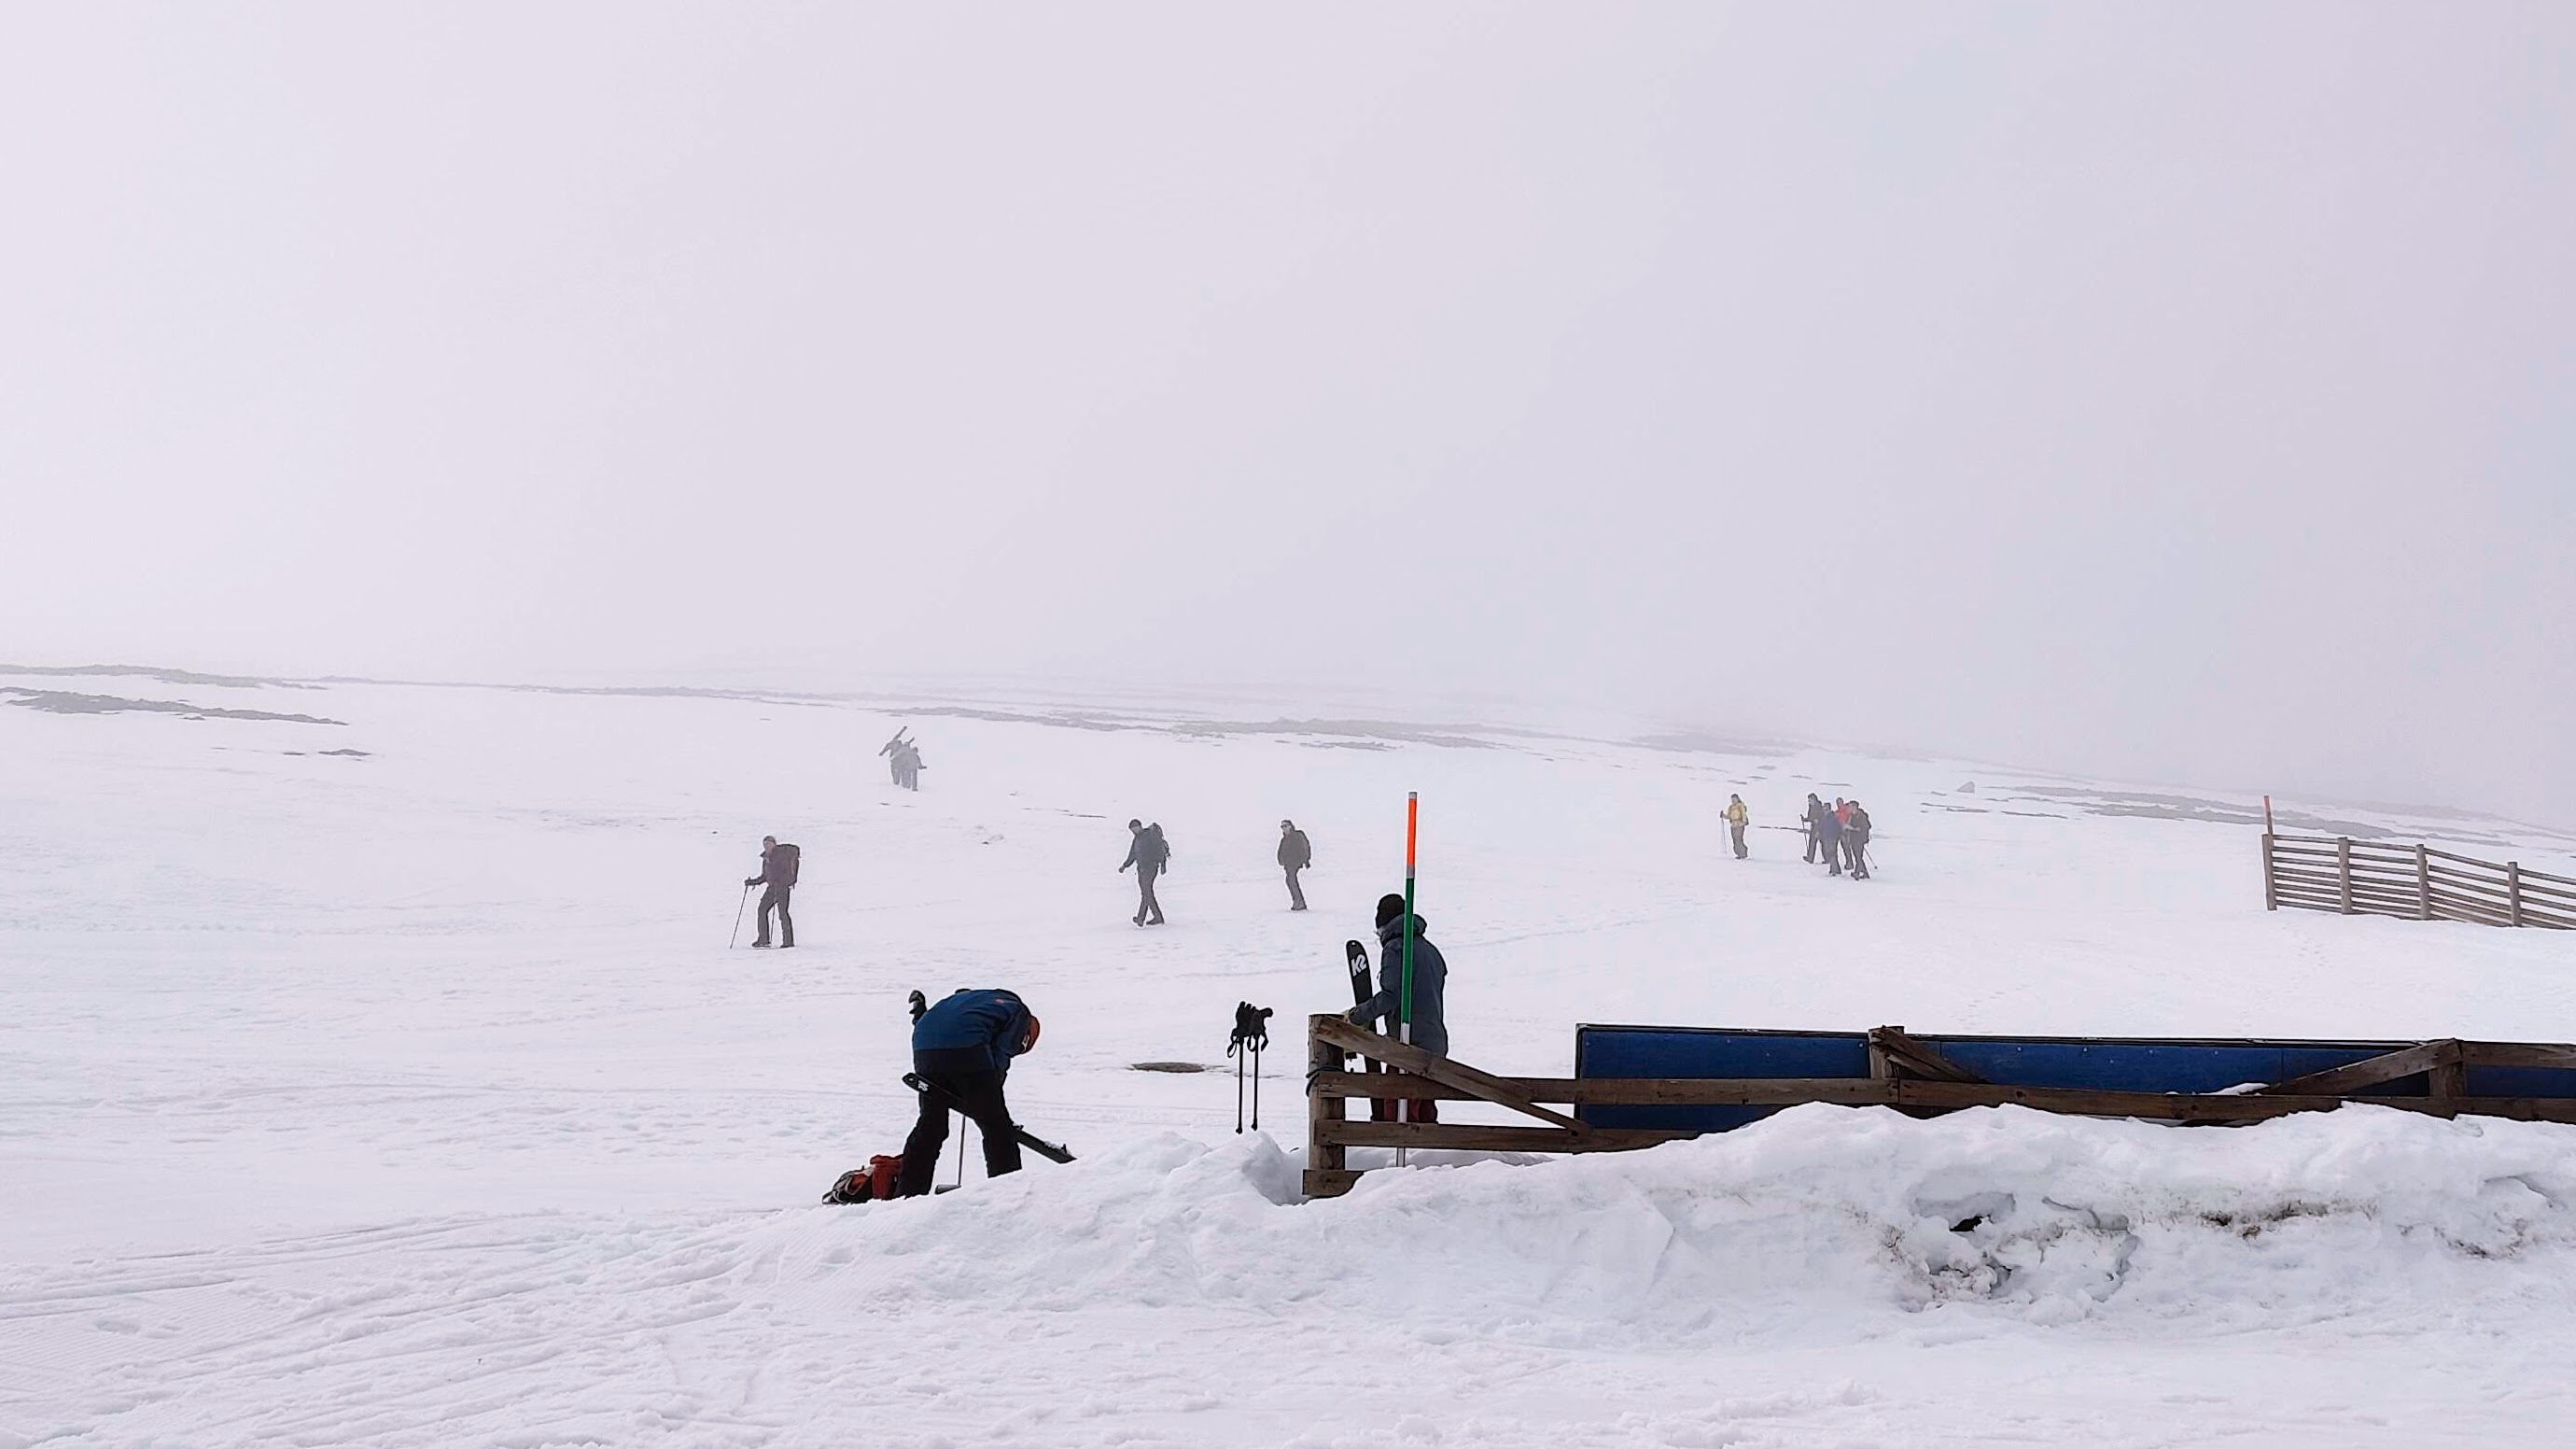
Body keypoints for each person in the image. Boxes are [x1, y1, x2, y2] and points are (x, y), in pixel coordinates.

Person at [897, 988, 1041, 1197]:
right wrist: (992, 1091)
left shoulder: (967, 1002)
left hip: (924, 1048)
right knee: (995, 1126)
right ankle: (1007, 1193)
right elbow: (1002, 1049)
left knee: (931, 1125)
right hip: (966, 1045)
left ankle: (908, 1193)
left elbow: (930, 1023)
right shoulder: (1019, 1012)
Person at [1348, 893, 1448, 1123]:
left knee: (1398, 1114)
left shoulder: (1396, 949)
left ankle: (1406, 1156)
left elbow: (1391, 995)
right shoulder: (1431, 950)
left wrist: (1357, 1015)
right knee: (1424, 1110)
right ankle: (1427, 1156)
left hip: (1408, 1044)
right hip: (1433, 1041)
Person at [744, 835, 799, 948]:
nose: (766, 846)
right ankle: (763, 939)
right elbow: (765, 876)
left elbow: (785, 872)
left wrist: (782, 882)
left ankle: (788, 941)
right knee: (762, 909)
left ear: (774, 844)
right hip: (772, 888)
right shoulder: (766, 859)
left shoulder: (781, 855)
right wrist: (752, 882)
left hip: (782, 888)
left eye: (768, 844)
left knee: (782, 913)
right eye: (765, 844)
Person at [1118, 819, 1169, 925]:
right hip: (1141, 869)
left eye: (1135, 828)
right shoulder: (1136, 840)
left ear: (1140, 826)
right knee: (1146, 893)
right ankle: (1144, 917)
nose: (1134, 831)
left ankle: (1154, 917)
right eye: (1132, 830)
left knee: (1146, 891)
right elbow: (1132, 855)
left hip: (1151, 868)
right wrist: (1124, 865)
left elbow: (1159, 850)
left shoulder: (1149, 836)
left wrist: (1163, 864)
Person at [1278, 819, 1312, 910]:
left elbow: (1305, 847)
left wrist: (1306, 860)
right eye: (1282, 827)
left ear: (1290, 826)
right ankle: (1298, 901)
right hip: (1288, 864)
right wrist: (1281, 860)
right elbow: (1281, 851)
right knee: (1290, 881)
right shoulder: (1284, 839)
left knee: (1291, 880)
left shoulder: (1297, 835)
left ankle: (1299, 902)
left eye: (1285, 826)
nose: (1284, 828)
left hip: (1295, 862)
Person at [1843, 799, 1872, 879]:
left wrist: (1852, 828)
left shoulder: (1861, 816)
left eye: (1850, 806)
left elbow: (1864, 827)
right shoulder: (1852, 816)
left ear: (1854, 807)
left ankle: (1857, 872)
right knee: (1857, 856)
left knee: (1858, 856)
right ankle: (1865, 873)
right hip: (1853, 839)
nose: (1848, 808)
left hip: (1860, 840)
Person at [1802, 794, 1829, 865]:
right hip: (1814, 826)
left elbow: (1821, 818)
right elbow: (1811, 817)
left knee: (1820, 843)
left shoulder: (1818, 807)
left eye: (1810, 800)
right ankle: (1810, 857)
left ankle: (1826, 858)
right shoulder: (1811, 807)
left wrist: (1816, 822)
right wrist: (1805, 819)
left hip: (1819, 827)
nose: (1809, 802)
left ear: (1814, 799)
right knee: (1813, 842)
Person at [1723, 795, 1750, 861]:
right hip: (1733, 825)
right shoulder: (1731, 807)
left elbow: (1743, 814)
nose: (1733, 801)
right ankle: (1739, 853)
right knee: (1735, 839)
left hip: (1739, 824)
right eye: (1732, 799)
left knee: (1738, 839)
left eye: (1734, 799)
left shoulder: (1740, 806)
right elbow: (1729, 816)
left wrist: (1744, 822)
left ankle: (1743, 853)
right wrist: (1723, 815)